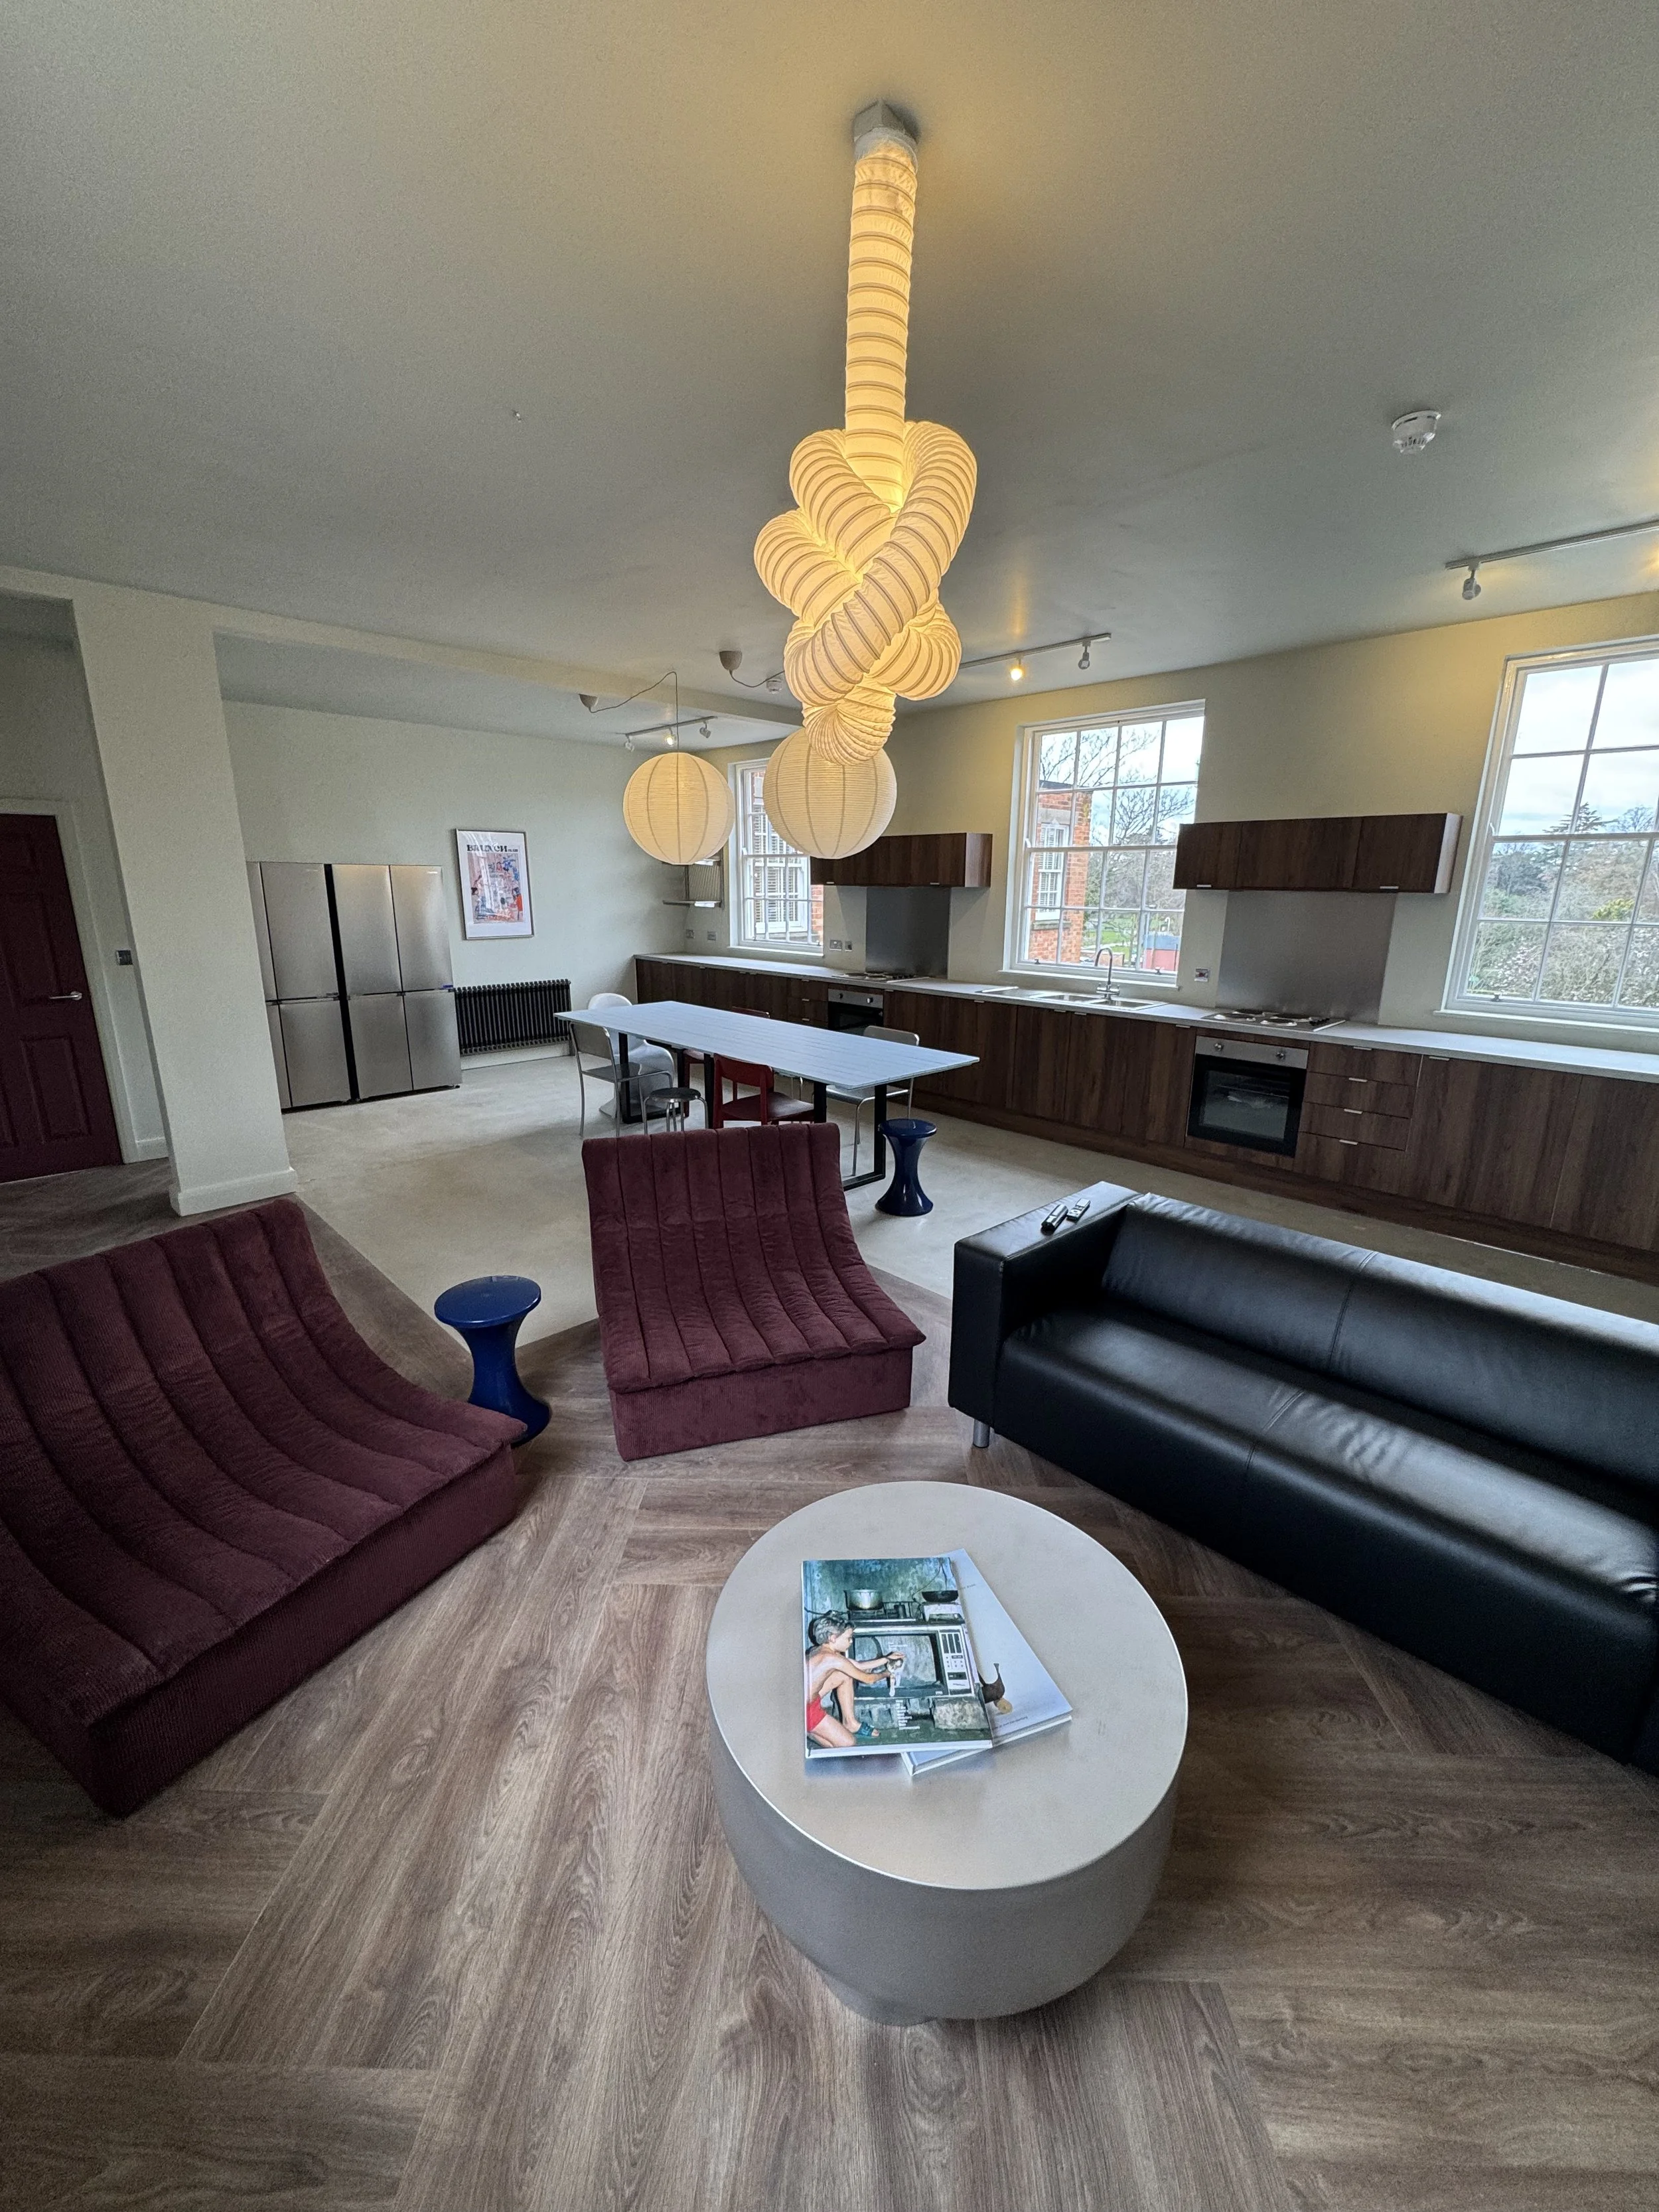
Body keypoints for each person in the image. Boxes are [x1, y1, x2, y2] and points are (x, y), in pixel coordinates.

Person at [806, 1612, 904, 1748]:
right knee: (848, 1743)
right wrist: (886, 1673)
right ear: (833, 1638)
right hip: (805, 1710)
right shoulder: (833, 1659)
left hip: (806, 1699)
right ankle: (808, 1730)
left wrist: (887, 1659)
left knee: (845, 1675)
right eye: (849, 1638)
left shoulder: (819, 1650)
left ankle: (850, 1723)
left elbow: (857, 1666)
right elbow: (868, 1679)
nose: (851, 1641)